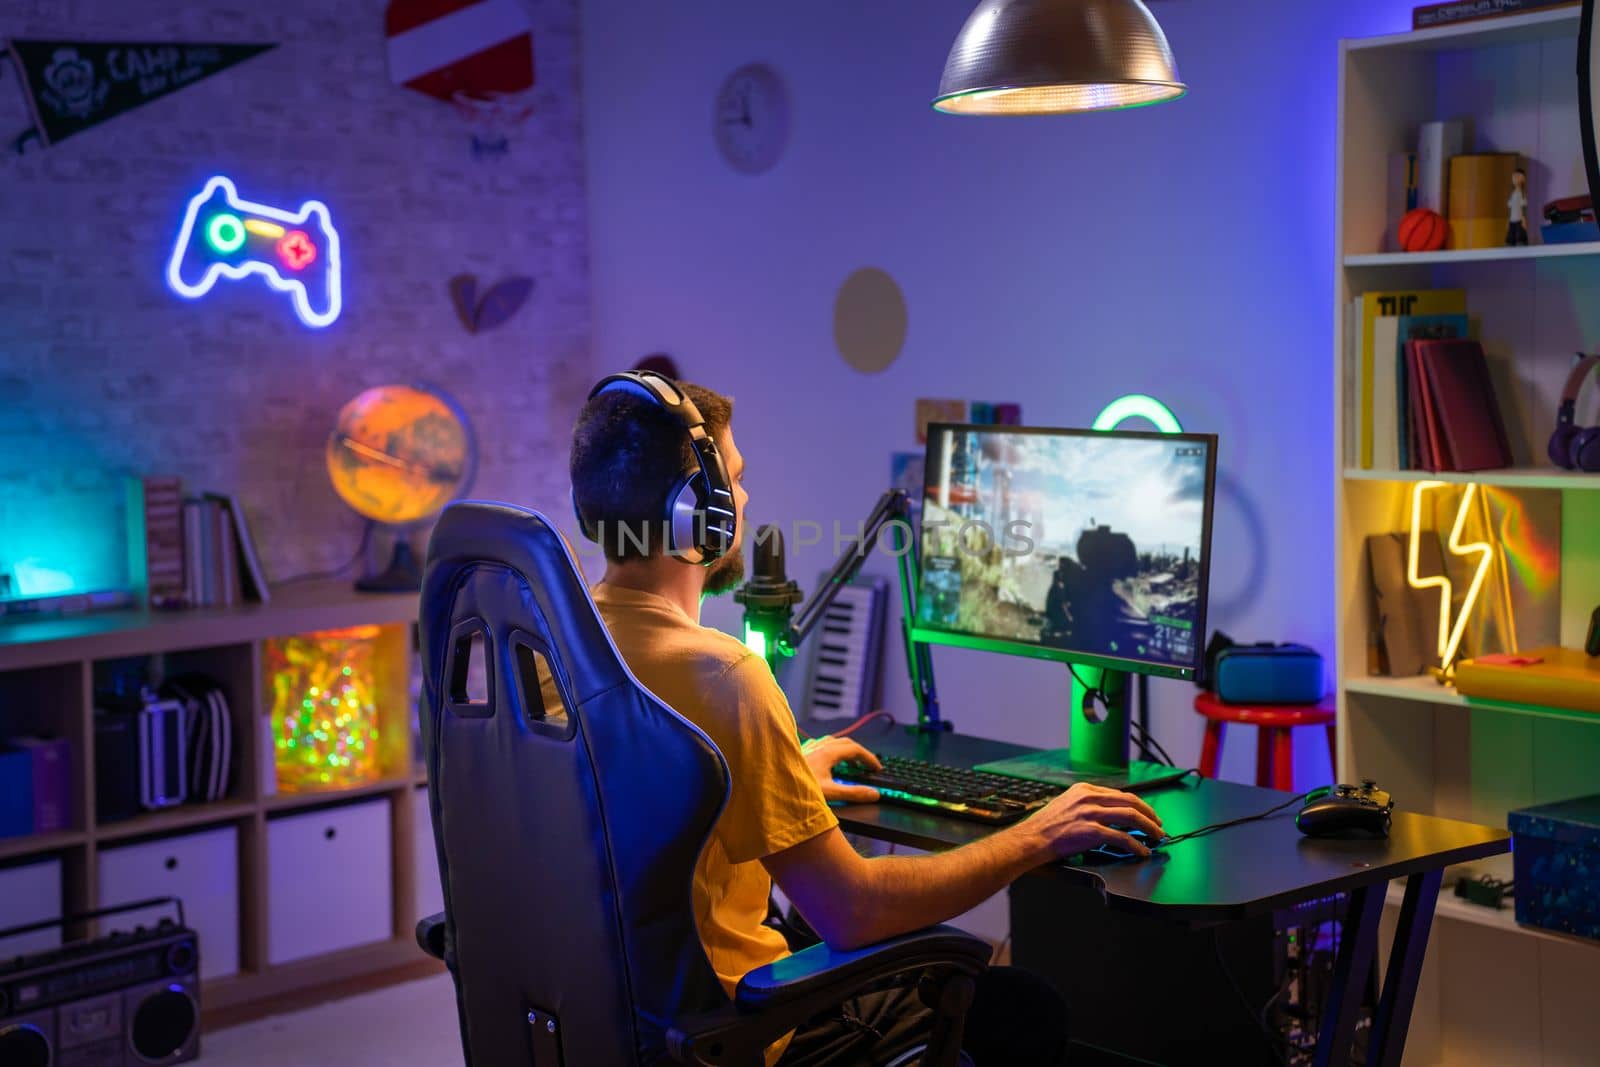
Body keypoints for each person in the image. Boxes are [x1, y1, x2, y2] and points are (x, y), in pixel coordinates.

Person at [568, 376, 1165, 1066]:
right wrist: (1033, 837)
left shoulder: (563, 648)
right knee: (1026, 1009)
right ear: (693, 514)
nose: (746, 498)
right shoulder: (721, 674)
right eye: (733, 479)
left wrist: (784, 780)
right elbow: (853, 910)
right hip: (741, 1036)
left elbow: (645, 821)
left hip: (629, 1031)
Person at [1507, 168, 1529, 247]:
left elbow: (1523, 206)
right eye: (1514, 176)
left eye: (1517, 176)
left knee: (1520, 237)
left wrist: (1523, 219)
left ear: (1523, 178)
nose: (1514, 178)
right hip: (1512, 219)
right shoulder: (1513, 193)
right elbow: (1510, 207)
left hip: (1519, 219)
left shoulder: (1522, 193)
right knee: (1511, 237)